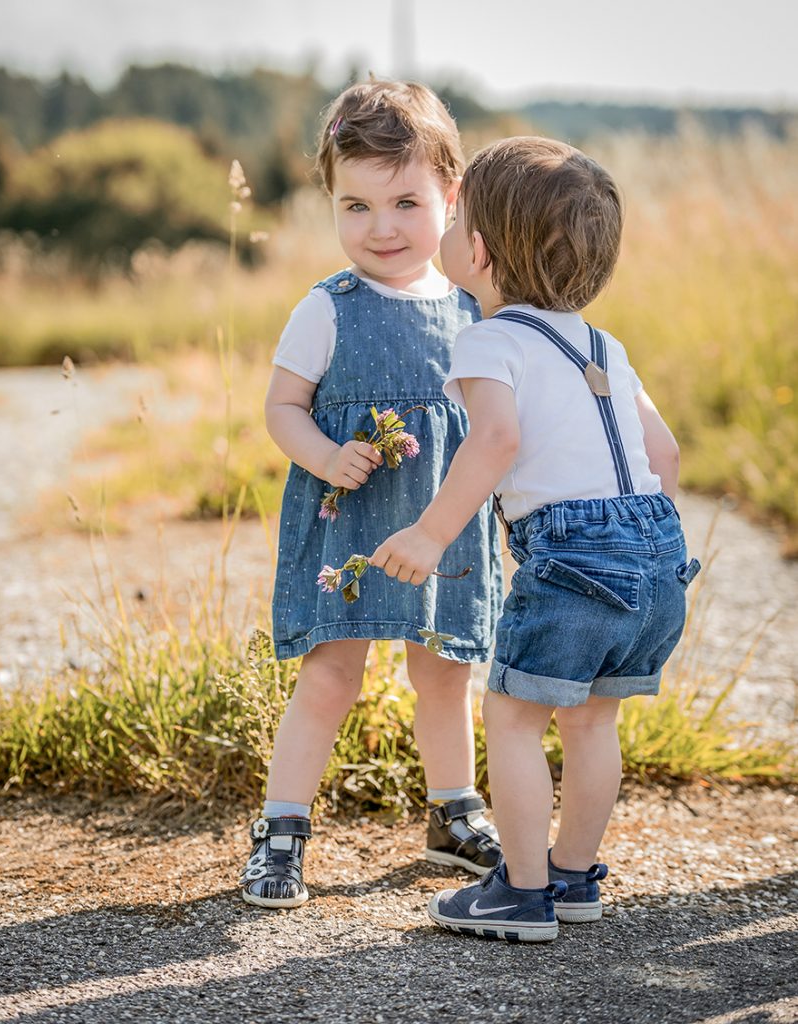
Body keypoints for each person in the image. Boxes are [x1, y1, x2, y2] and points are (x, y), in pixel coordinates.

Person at [370, 136, 700, 943]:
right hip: (656, 552)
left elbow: (495, 443)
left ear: (475, 253)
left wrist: (429, 531)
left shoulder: (490, 340)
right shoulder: (604, 345)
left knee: (514, 719)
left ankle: (520, 895)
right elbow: (664, 455)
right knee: (593, 721)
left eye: (454, 220)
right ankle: (574, 877)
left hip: (574, 560)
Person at [239, 80, 504, 909]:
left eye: (405, 202)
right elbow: (282, 405)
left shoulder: (474, 310)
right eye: (355, 206)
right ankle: (282, 827)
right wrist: (321, 452)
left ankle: (452, 809)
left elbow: (492, 424)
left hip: (442, 524)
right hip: (348, 520)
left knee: (445, 674)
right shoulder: (328, 308)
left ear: (450, 197)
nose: (381, 228)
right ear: (330, 202)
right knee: (330, 677)